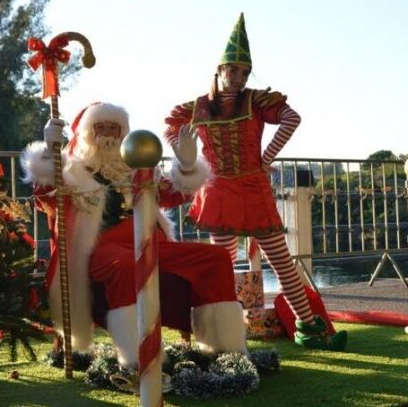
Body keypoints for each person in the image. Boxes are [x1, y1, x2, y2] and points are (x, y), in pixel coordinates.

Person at [164, 13, 347, 350]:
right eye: (232, 69)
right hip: (218, 191)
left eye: (244, 72)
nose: (238, 77)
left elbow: (293, 118)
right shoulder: (198, 107)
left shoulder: (256, 101)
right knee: (220, 265)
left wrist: (266, 158)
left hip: (252, 188)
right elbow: (172, 128)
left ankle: (309, 327)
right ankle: (217, 331)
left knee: (281, 260)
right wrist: (187, 157)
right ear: (219, 69)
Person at [22, 102, 247, 367]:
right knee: (129, 266)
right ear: (87, 133)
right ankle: (139, 356)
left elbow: (175, 194)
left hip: (148, 243)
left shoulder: (137, 169)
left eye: (114, 128)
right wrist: (50, 152)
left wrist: (187, 166)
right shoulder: (72, 172)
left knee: (216, 257)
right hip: (100, 250)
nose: (107, 134)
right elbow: (44, 197)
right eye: (100, 127)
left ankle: (224, 348)